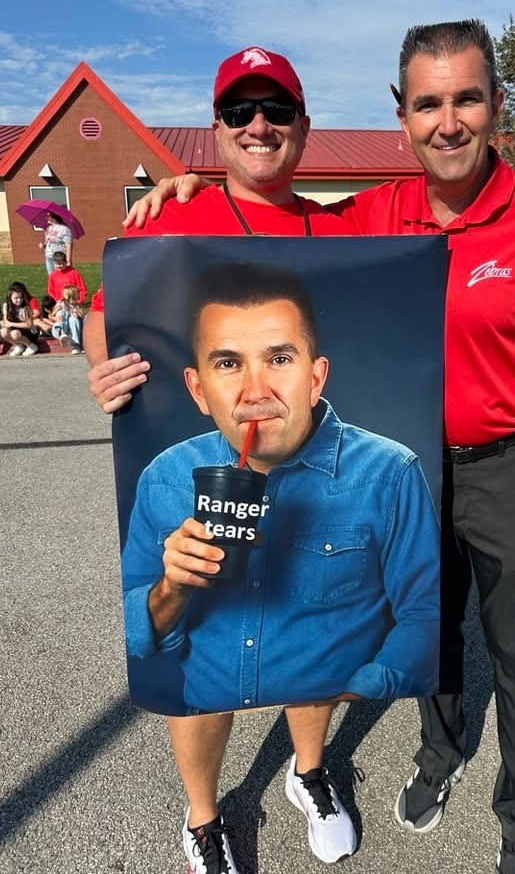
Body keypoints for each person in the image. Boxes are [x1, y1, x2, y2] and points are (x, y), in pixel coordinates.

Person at [134, 20, 515, 874]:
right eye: (429, 103)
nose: (448, 121)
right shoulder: (373, 215)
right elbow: (269, 221)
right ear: (402, 115)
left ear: (496, 104)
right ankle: (441, 755)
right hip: (415, 468)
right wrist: (189, 190)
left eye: (467, 99)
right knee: (427, 631)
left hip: (513, 465)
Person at [85, 48, 358, 874]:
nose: (259, 125)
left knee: (315, 620)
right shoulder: (170, 219)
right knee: (201, 637)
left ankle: (308, 772)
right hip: (204, 465)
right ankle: (203, 816)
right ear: (216, 129)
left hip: (310, 469)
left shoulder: (340, 229)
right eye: (240, 111)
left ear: (303, 125)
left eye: (276, 109)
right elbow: (105, 312)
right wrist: (101, 365)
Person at [123, 261, 439, 712]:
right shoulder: (165, 477)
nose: (256, 391)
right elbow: (136, 633)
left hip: (332, 712)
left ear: (315, 378)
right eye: (228, 363)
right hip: (208, 714)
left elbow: (425, 614)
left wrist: (358, 694)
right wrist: (173, 587)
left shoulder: (390, 472)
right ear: (198, 390)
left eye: (279, 359)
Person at [1, 284, 40, 357]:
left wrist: (11, 324)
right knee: (3, 331)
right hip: (17, 330)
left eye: (20, 297)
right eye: (16, 298)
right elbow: (6, 322)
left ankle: (31, 346)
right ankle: (18, 346)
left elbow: (29, 325)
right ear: (10, 298)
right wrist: (5, 323)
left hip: (29, 332)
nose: (19, 300)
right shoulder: (6, 306)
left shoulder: (26, 308)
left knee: (14, 333)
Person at [52, 285, 85, 354]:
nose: (79, 294)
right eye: (77, 292)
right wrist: (58, 310)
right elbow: (52, 315)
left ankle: (76, 346)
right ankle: (62, 334)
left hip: (73, 330)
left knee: (73, 318)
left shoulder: (77, 306)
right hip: (59, 329)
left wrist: (77, 314)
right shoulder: (61, 303)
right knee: (61, 312)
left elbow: (82, 316)